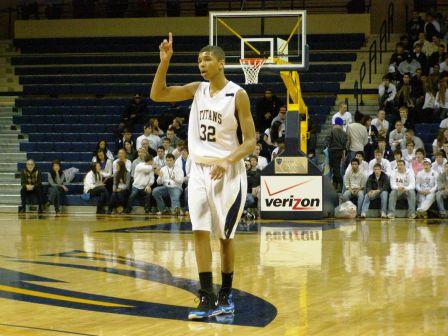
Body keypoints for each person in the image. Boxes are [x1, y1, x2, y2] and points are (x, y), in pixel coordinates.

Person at [150, 33, 256, 319]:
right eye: (199, 60)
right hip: (197, 169)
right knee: (199, 232)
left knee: (224, 237)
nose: (202, 63)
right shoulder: (197, 89)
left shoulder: (238, 94)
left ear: (221, 63)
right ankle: (207, 297)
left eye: (207, 59)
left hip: (228, 171)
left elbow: (250, 142)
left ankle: (226, 295)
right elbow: (157, 94)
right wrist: (165, 61)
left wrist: (228, 158)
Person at [325, 117, 347, 192]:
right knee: (336, 168)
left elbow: (327, 140)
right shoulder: (344, 133)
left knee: (334, 169)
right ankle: (335, 186)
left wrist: (326, 147)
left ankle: (341, 184)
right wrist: (343, 155)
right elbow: (345, 145)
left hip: (332, 151)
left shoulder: (331, 131)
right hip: (340, 152)